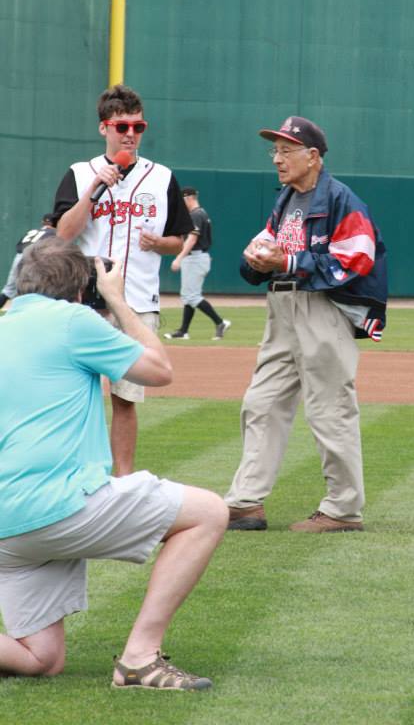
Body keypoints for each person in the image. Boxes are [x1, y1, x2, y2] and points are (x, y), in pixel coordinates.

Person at [0, 237, 228, 688]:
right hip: (56, 507)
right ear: (80, 290)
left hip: (9, 528)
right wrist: (119, 301)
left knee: (41, 659)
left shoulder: (5, 323)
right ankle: (139, 659)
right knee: (208, 512)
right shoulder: (71, 319)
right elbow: (159, 370)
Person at [225, 116, 388, 533]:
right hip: (282, 307)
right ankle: (246, 503)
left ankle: (343, 510)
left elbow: (358, 258)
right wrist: (257, 258)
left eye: (285, 150)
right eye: (274, 150)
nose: (277, 159)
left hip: (322, 309)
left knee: (330, 409)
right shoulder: (287, 199)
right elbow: (272, 249)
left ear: (312, 156)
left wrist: (289, 261)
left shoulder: (340, 199)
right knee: (261, 403)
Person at [53, 85, 193, 476]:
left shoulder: (161, 177)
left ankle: (123, 481)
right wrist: (95, 190)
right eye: (122, 125)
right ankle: (75, 474)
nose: (130, 133)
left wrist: (161, 242)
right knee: (75, 395)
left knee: (126, 398)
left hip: (136, 303)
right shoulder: (81, 174)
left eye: (138, 125)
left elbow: (178, 240)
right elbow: (63, 233)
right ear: (105, 128)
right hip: (82, 302)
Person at [164, 186, 231, 341]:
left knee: (191, 296)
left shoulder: (195, 214)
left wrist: (179, 257)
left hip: (195, 257)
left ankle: (220, 322)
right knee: (189, 296)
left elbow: (192, 239)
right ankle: (183, 331)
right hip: (198, 257)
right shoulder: (201, 213)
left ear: (189, 198)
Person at [0, 213, 57, 309]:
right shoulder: (53, 233)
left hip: (19, 257)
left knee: (8, 291)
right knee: (40, 292)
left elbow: (19, 246)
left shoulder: (32, 231)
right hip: (35, 258)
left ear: (43, 222)